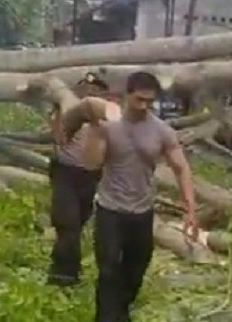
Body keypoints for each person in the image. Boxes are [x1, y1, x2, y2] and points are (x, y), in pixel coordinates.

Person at [71, 71, 198, 322]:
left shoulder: (161, 131)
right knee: (108, 269)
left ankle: (121, 311)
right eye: (139, 100)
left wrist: (190, 209)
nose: (144, 106)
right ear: (127, 95)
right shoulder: (109, 124)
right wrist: (95, 132)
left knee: (135, 269)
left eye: (150, 102)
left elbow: (181, 168)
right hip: (110, 209)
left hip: (142, 211)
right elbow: (90, 164)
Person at [47, 73, 120, 287]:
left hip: (91, 175)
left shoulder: (110, 118)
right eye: (86, 90)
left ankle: (70, 265)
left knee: (78, 224)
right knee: (67, 224)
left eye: (95, 90)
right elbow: (58, 136)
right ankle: (63, 276)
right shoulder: (68, 112)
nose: (91, 94)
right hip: (65, 172)